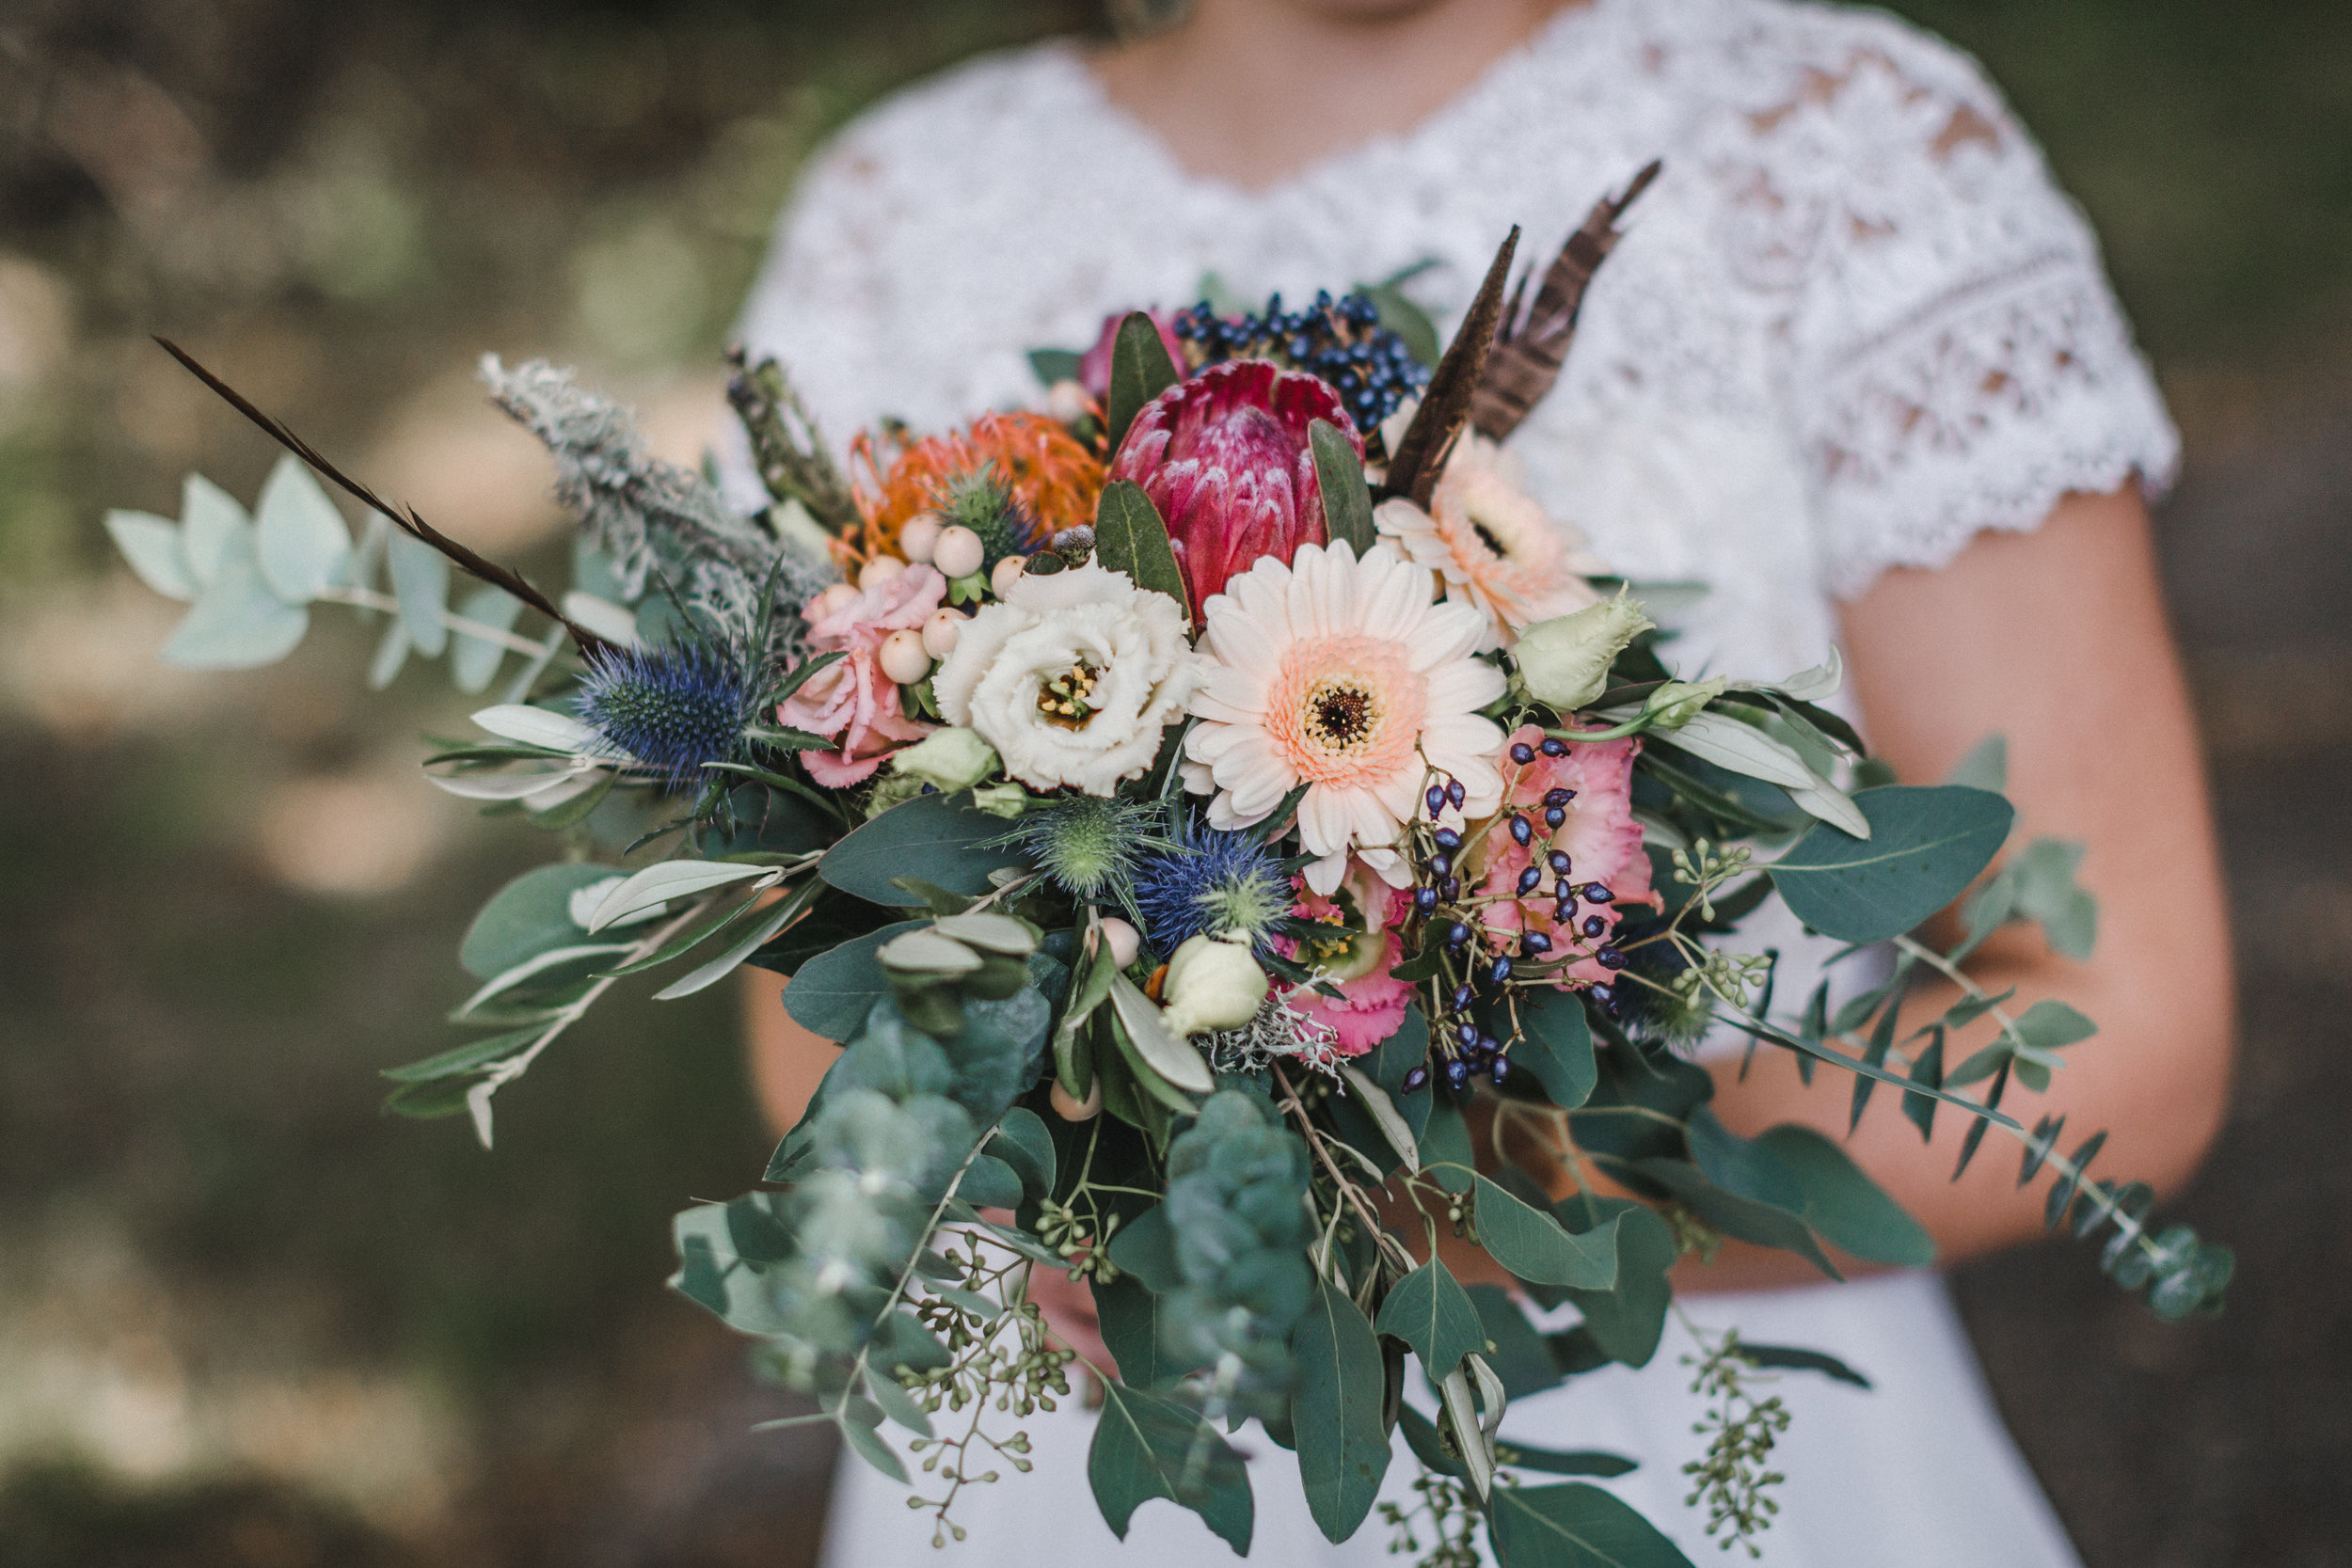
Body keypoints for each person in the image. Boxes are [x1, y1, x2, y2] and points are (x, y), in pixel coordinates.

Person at [733, 0, 2233, 1560]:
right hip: (1084, 1453)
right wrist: (1026, 1179)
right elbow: (809, 1003)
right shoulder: (894, 212)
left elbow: (2125, 1029)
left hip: (1679, 1436)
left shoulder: (1844, 146)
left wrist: (1387, 1210)